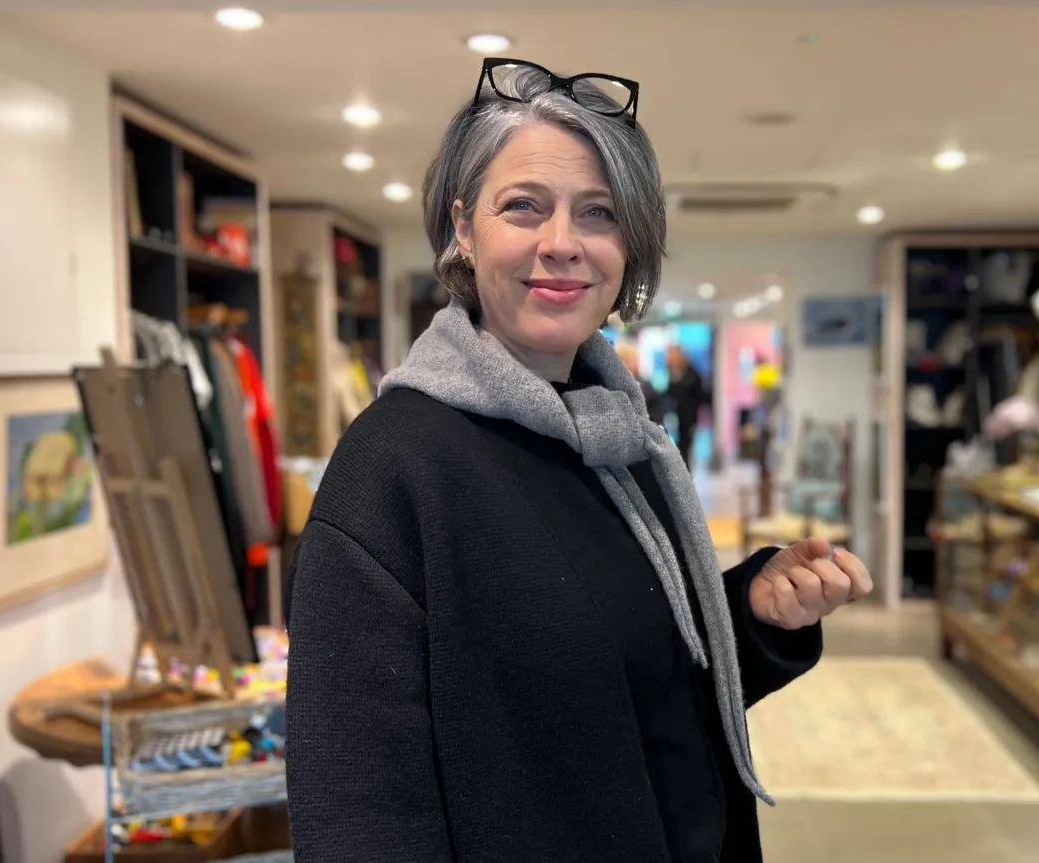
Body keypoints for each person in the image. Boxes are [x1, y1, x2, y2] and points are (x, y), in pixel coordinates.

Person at [284, 59, 872, 863]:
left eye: (597, 213)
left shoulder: (621, 438)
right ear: (464, 227)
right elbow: (359, 814)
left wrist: (752, 614)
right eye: (523, 206)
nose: (561, 244)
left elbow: (632, 684)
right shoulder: (396, 469)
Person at [666, 343, 709, 471]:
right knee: (678, 448)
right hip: (674, 417)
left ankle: (686, 476)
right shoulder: (671, 372)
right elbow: (669, 395)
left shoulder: (691, 374)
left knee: (686, 449)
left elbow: (699, 395)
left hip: (688, 419)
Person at [617, 338, 667, 425]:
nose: (627, 364)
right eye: (623, 360)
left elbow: (657, 411)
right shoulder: (611, 385)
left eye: (629, 360)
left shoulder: (646, 385)